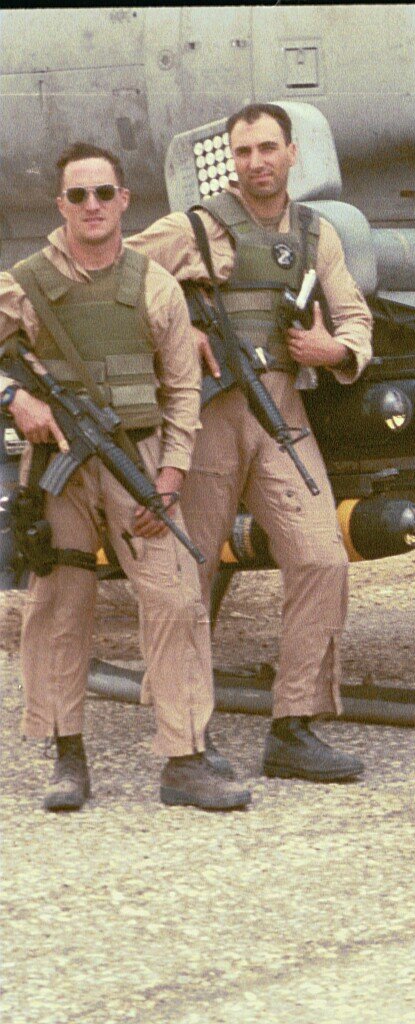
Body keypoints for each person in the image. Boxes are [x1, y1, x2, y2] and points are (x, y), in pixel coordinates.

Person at [0, 143, 250, 811]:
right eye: (77, 195)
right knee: (59, 608)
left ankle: (185, 757)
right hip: (57, 465)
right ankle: (67, 757)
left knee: (175, 599)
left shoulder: (153, 284)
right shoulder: (22, 282)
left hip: (136, 463)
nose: (91, 206)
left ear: (124, 201)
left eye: (103, 193)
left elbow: (182, 389)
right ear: (60, 204)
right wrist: (12, 397)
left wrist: (169, 477)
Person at [128, 102, 373, 783]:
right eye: (244, 151)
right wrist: (180, 328)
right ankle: (187, 738)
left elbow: (353, 313)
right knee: (188, 573)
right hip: (204, 414)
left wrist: (334, 348)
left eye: (268, 148)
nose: (257, 162)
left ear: (293, 153)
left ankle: (294, 725)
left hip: (282, 409)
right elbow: (114, 281)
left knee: (322, 557)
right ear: (230, 159)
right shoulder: (193, 228)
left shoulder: (315, 232)